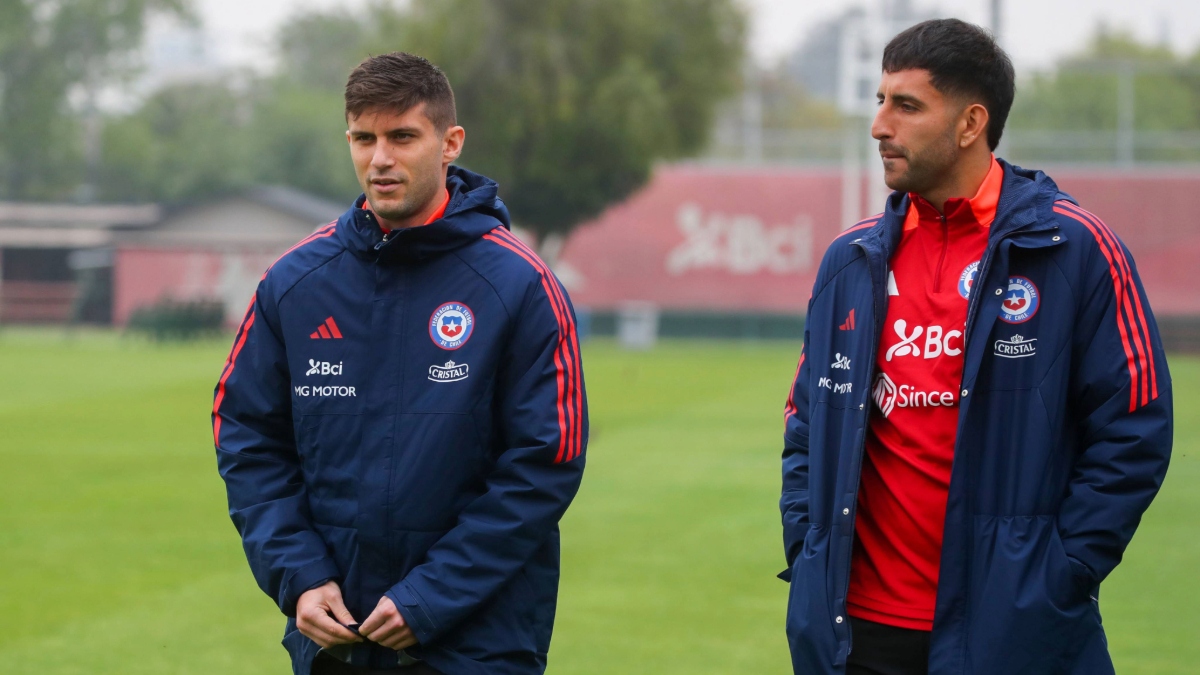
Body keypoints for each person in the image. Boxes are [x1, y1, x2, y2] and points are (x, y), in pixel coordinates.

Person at [780, 19, 1172, 675]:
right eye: (880, 101)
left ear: (970, 123)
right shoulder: (849, 260)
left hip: (1009, 631)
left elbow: (1134, 429)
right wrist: (809, 549)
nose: (879, 126)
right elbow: (804, 422)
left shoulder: (1073, 250)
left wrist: (1059, 572)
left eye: (907, 106)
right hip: (855, 636)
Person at [212, 52, 587, 675]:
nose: (380, 159)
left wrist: (432, 598)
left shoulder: (519, 285)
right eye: (364, 138)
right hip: (336, 641)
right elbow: (247, 436)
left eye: (402, 137)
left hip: (476, 644)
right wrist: (299, 575)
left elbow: (545, 462)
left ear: (450, 143)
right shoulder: (295, 282)